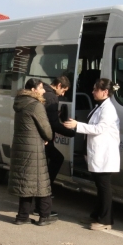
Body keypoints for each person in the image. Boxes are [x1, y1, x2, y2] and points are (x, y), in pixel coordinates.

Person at [64, 78, 120, 231]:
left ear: (105, 92)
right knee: (99, 187)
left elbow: (99, 129)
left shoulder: (108, 109)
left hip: (104, 154)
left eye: (96, 89)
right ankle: (97, 215)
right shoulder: (100, 106)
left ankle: (106, 220)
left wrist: (77, 125)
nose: (92, 92)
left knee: (104, 188)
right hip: (98, 153)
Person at [8, 78, 56, 226]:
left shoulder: (20, 103)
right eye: (41, 88)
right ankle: (45, 215)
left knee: (26, 182)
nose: (43, 91)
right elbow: (46, 128)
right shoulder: (36, 105)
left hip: (21, 147)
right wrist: (47, 137)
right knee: (41, 182)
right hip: (33, 147)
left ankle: (22, 216)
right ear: (34, 90)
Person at [34, 76, 76, 216]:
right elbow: (53, 124)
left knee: (43, 169)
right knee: (53, 164)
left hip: (37, 137)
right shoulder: (52, 98)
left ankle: (38, 204)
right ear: (58, 85)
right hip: (44, 138)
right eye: (63, 90)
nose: (63, 94)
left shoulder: (43, 91)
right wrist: (70, 133)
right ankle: (42, 204)